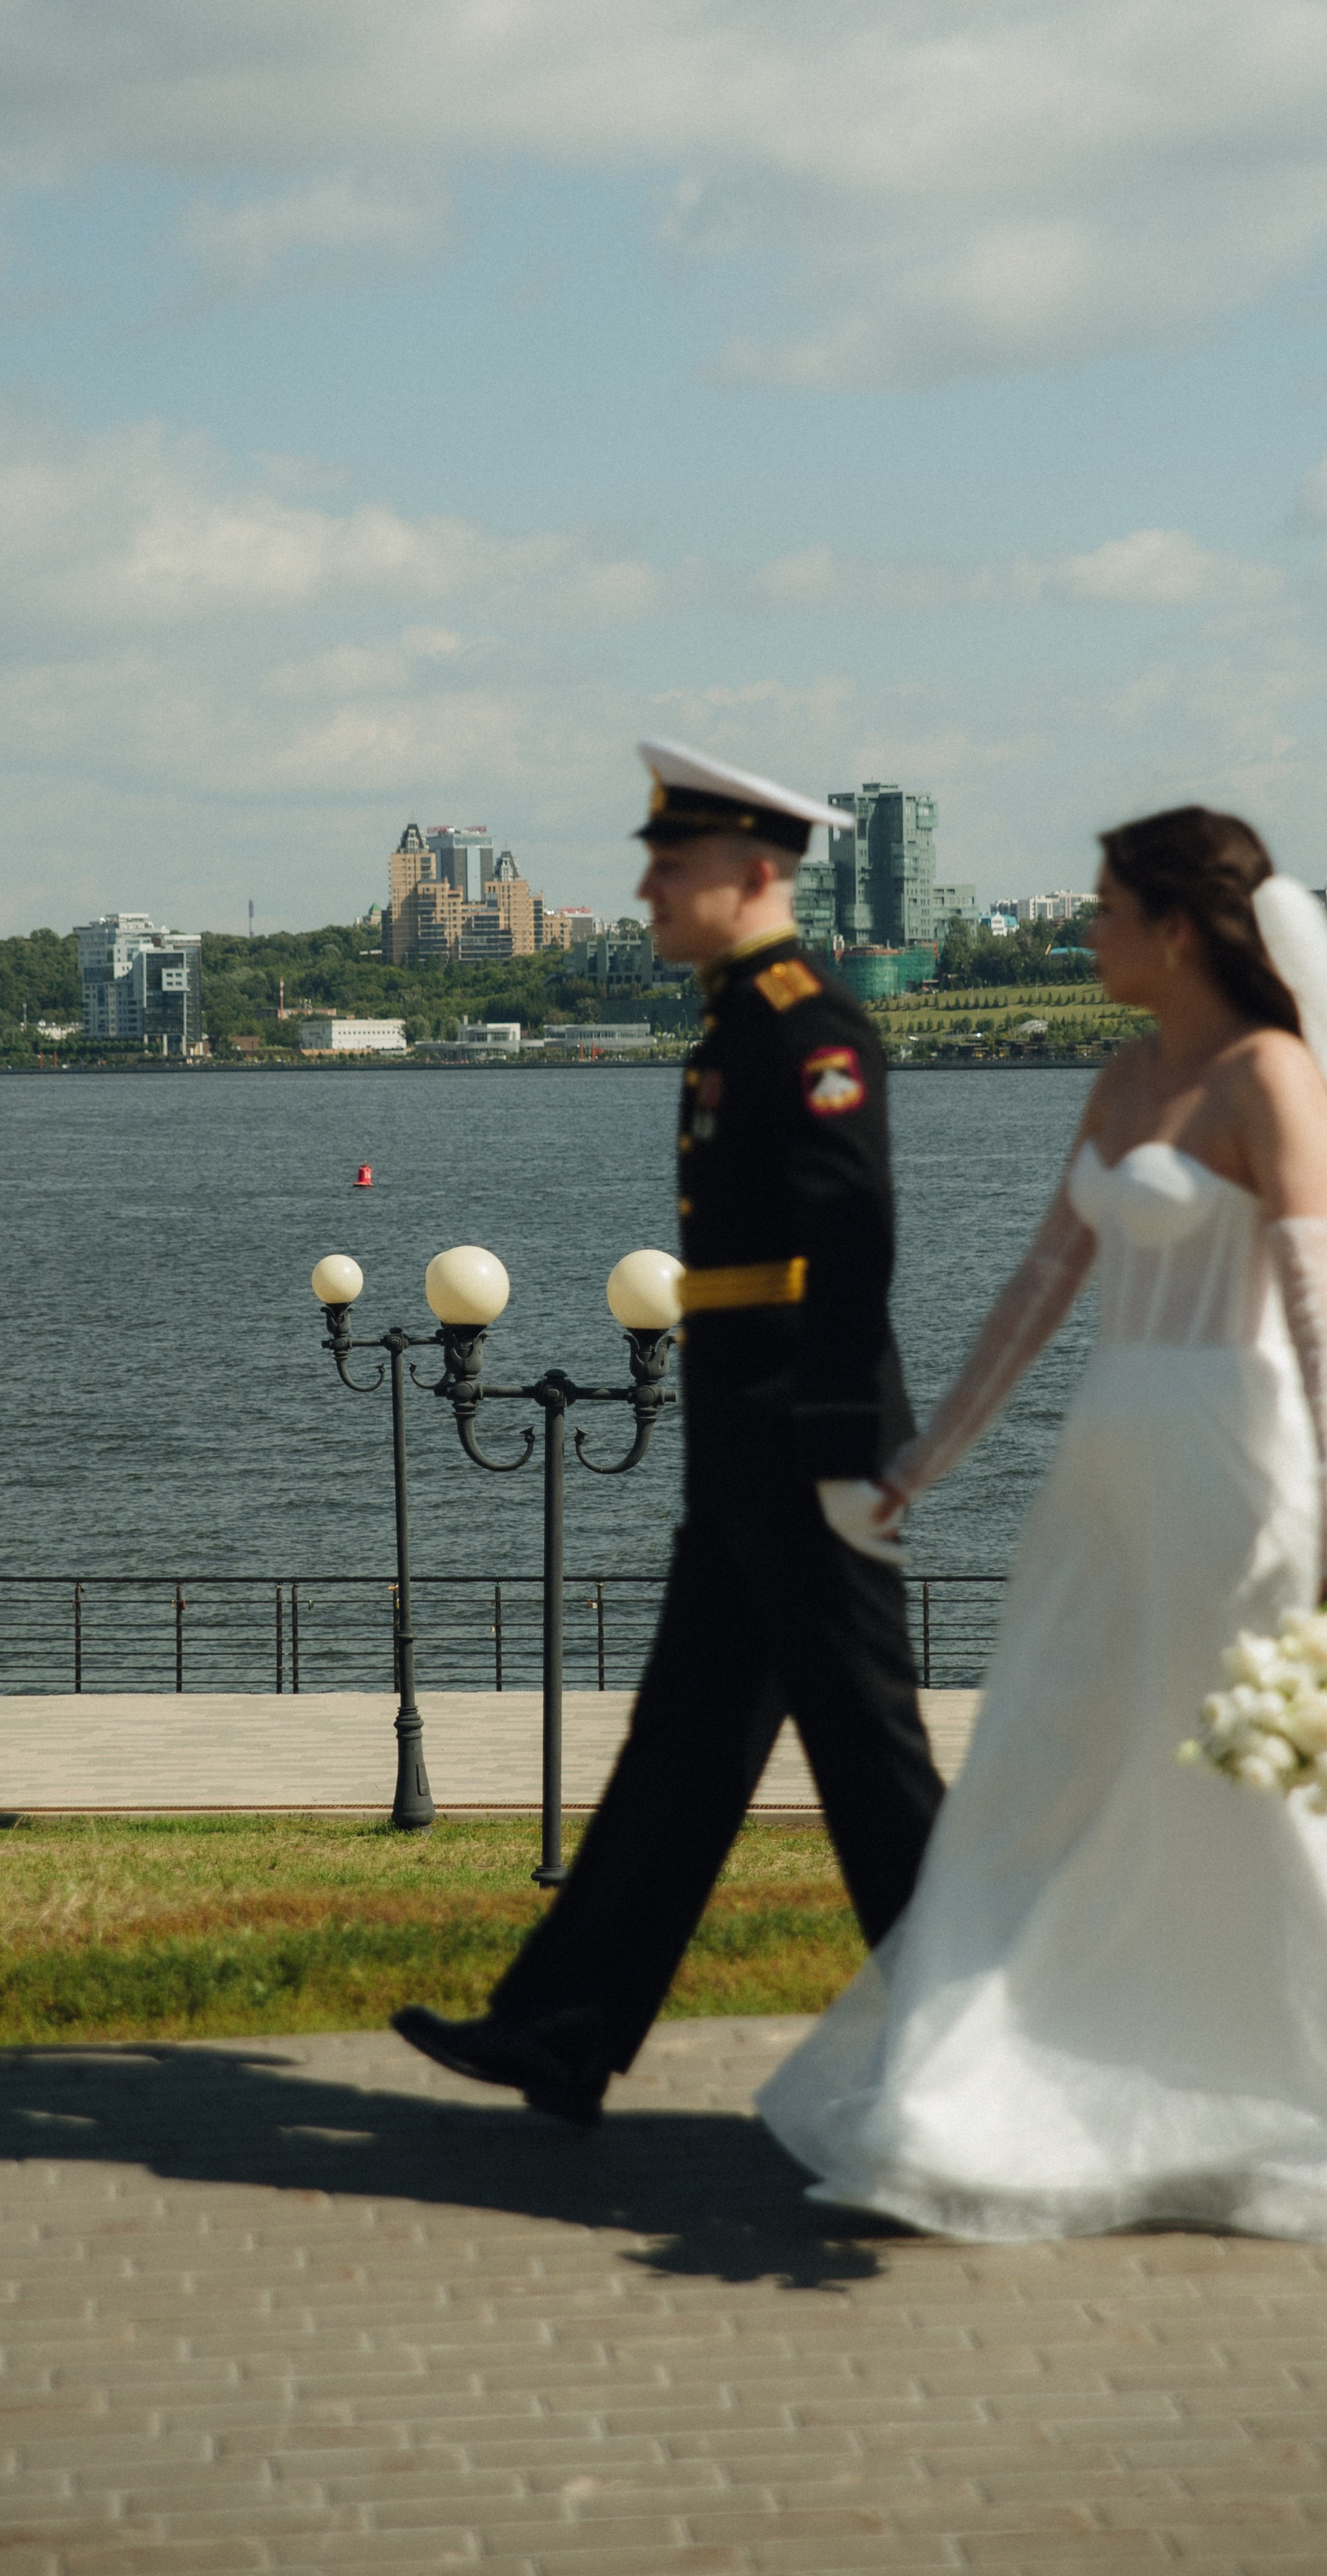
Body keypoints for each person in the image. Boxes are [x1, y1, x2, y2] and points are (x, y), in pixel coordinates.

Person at [760, 804, 1327, 2245]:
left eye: (1101, 908)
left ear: (1174, 925)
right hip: (1109, 1471)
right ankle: (983, 2092)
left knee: (1284, 1797)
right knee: (1061, 1760)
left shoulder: (1269, 1079)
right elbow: (1037, 1294)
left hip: (1249, 1467)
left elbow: (1317, 1324)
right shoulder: (1117, 1078)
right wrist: (922, 1464)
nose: (1080, 931)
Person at [396, 739, 945, 2123]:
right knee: (684, 1742)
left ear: (755, 873)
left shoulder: (807, 1022)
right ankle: (564, 2029)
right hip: (745, 1426)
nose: (644, 885)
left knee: (870, 1760)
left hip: (803, 1427)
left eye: (671, 862)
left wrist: (830, 1434)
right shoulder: (735, 1020)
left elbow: (854, 1235)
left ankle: (986, 2036)